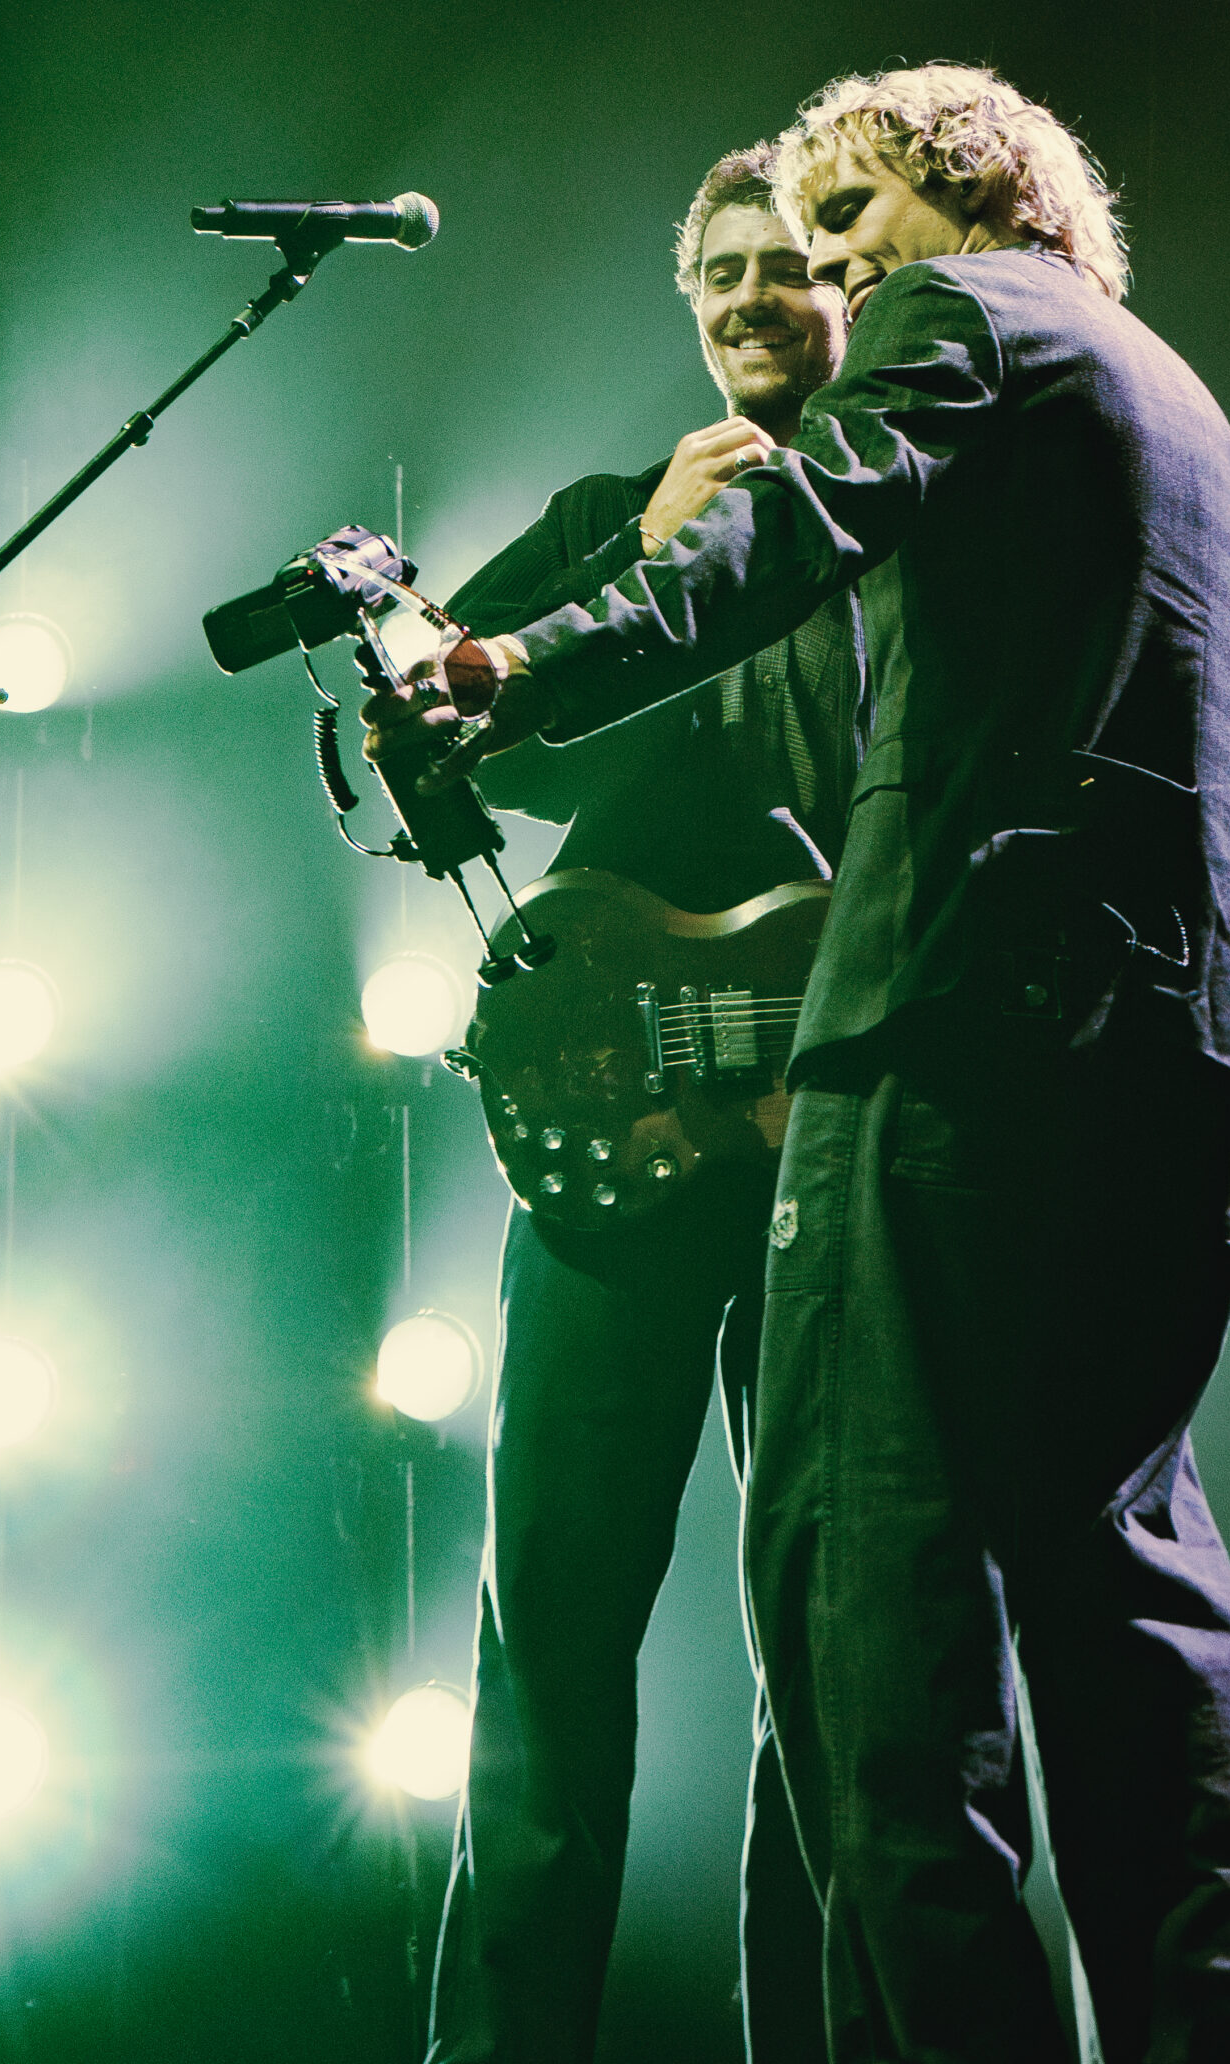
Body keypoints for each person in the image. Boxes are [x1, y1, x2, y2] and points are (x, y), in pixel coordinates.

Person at [382, 63, 1230, 2062]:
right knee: (1138, 1624)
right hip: (1151, 1084)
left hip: (933, 1061)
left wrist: (521, 658)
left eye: (840, 224)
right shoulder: (1184, 408)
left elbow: (796, 525)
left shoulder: (952, 316)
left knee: (880, 1657)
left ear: (964, 181)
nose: (825, 274)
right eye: (766, 255)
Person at [418, 143, 857, 2064]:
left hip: (831, 1152)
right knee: (553, 1633)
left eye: (788, 263)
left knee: (835, 1658)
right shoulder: (618, 515)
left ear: (853, 291)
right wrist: (643, 553)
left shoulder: (910, 545)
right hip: (620, 1155)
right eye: (719, 273)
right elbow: (441, 740)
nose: (752, 297)